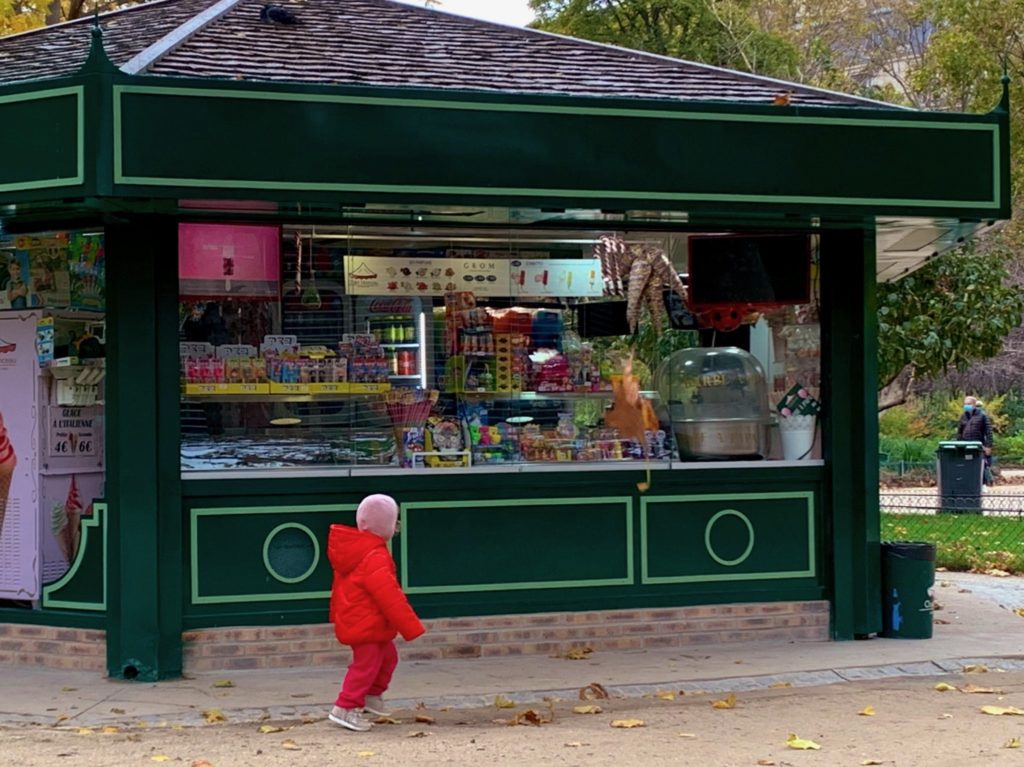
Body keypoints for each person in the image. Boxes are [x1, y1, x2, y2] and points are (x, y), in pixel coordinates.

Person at [327, 494, 425, 732]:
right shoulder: (375, 555)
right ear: (387, 526)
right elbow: (389, 595)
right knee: (366, 665)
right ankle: (345, 707)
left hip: (363, 620)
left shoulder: (359, 550)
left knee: (387, 657)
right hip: (366, 623)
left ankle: (370, 696)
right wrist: (411, 625)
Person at [957, 396, 993, 485]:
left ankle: (983, 483)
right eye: (965, 404)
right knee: (966, 465)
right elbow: (959, 432)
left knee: (981, 465)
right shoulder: (963, 416)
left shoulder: (982, 415)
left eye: (968, 404)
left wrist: (988, 446)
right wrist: (958, 443)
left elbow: (988, 432)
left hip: (979, 445)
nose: (966, 406)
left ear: (974, 405)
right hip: (965, 445)